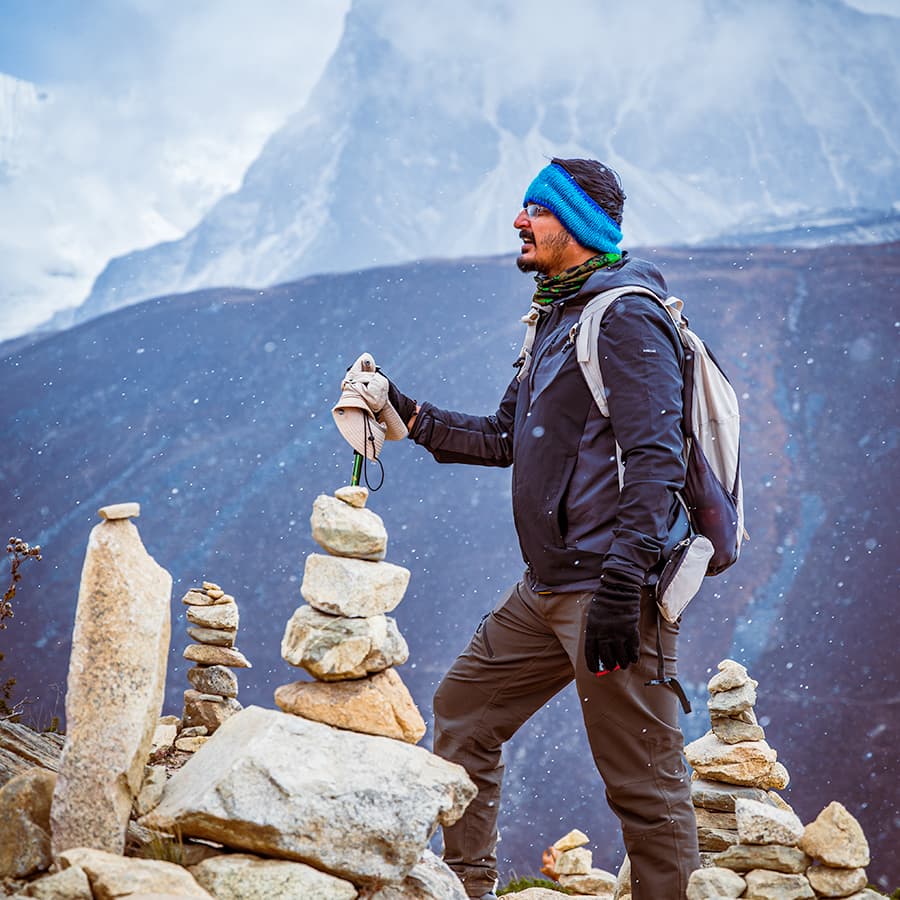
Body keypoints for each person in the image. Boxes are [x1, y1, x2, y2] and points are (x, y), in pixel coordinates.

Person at [383, 158, 701, 900]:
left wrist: (626, 588)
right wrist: (411, 414)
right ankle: (464, 887)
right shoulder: (557, 317)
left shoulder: (624, 318)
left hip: (609, 593)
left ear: (582, 226)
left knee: (643, 785)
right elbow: (505, 436)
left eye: (537, 210)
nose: (519, 222)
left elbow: (658, 460)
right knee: (464, 710)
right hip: (547, 590)